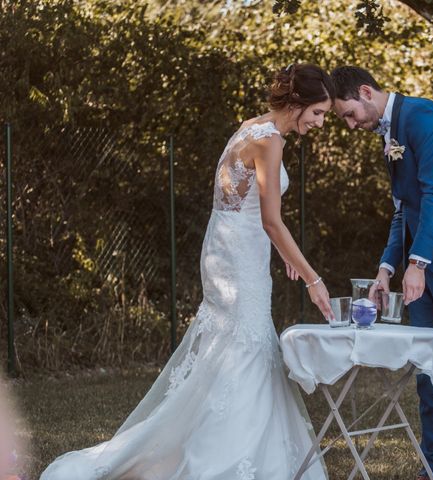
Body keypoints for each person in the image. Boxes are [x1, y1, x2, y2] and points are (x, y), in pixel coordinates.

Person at [41, 63, 335, 480]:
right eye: (318, 113)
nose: (319, 122)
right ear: (298, 103)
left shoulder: (251, 127)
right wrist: (313, 279)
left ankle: (237, 447)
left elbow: (243, 207)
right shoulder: (270, 142)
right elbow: (271, 220)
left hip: (229, 246)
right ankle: (225, 458)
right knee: (246, 344)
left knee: (238, 342)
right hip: (239, 253)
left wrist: (280, 250)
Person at [331, 66, 433, 480]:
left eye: (349, 114)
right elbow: (403, 209)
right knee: (427, 362)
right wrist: (387, 268)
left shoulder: (424, 118)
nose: (351, 125)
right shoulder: (387, 137)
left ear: (365, 92)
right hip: (418, 264)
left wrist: (417, 263)